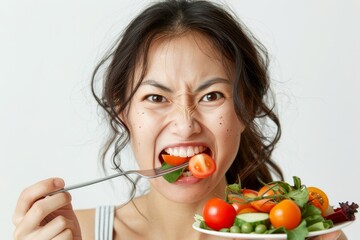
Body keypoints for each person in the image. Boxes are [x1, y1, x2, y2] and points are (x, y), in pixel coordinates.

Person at [12, 0, 346, 239]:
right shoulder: (75, 234)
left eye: (211, 96)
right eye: (156, 98)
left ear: (247, 108)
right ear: (122, 111)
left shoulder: (294, 234)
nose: (185, 125)